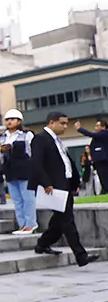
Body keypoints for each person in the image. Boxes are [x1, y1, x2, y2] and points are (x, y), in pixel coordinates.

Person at [30, 111, 100, 267]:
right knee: (67, 220)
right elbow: (36, 163)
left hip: (65, 185)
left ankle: (42, 244)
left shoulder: (57, 140)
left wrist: (74, 183)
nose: (65, 126)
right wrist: (46, 183)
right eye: (62, 123)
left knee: (59, 221)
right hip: (53, 187)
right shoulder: (40, 139)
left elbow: (65, 162)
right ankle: (81, 256)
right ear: (52, 123)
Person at [0, 109, 36, 234]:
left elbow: (32, 152)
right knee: (17, 199)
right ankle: (22, 224)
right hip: (10, 170)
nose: (9, 122)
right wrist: (2, 151)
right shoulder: (2, 137)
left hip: (25, 169)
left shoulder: (26, 134)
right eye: (7, 120)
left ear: (19, 121)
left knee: (28, 198)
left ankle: (31, 224)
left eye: (12, 119)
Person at [74, 119, 108, 195]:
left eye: (97, 126)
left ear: (103, 127)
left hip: (103, 160)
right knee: (102, 177)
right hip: (98, 160)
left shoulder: (104, 133)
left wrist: (79, 129)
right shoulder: (99, 136)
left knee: (105, 177)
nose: (95, 127)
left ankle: (106, 190)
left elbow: (91, 134)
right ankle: (105, 190)